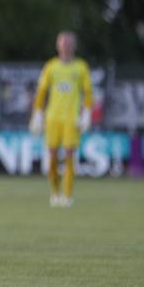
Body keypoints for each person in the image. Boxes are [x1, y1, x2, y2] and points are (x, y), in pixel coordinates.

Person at [29, 31, 92, 208]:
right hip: (53, 118)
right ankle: (55, 192)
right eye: (62, 43)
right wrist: (37, 114)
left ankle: (68, 195)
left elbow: (87, 92)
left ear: (74, 46)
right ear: (58, 45)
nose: (65, 46)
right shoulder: (50, 67)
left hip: (71, 118)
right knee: (52, 159)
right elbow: (41, 92)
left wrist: (86, 113)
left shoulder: (81, 67)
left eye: (68, 43)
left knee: (70, 156)